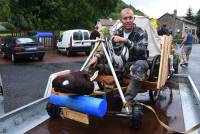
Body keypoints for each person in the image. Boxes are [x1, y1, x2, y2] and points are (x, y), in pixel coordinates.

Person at [89, 8, 149, 107]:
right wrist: (97, 57)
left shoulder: (141, 32)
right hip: (120, 64)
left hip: (136, 62)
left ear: (134, 18)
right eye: (125, 18)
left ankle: (127, 101)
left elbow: (142, 51)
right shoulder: (116, 32)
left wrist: (126, 41)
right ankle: (86, 93)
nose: (128, 20)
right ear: (121, 20)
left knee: (139, 66)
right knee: (93, 65)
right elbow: (108, 49)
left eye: (130, 18)